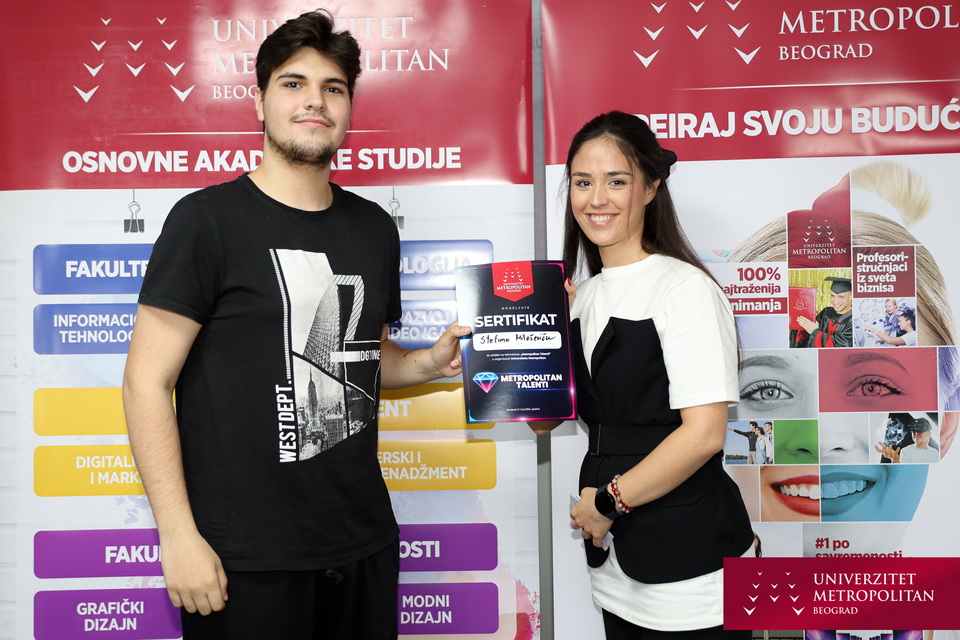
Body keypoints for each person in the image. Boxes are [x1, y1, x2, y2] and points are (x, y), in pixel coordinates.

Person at [121, 11, 468, 640]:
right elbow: (146, 383)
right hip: (240, 561)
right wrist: (177, 535)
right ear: (259, 102)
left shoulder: (373, 227)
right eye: (293, 84)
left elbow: (360, 358)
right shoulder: (205, 221)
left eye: (333, 88)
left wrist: (426, 363)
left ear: (348, 108)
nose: (315, 101)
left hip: (361, 546)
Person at [529, 111, 752, 639]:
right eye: (582, 182)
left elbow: (704, 435)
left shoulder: (684, 289)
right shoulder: (580, 297)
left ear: (650, 188)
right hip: (616, 565)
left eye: (616, 181)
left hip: (691, 563)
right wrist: (533, 344)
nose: (596, 199)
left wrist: (608, 502)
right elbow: (543, 421)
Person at [792, 275, 853, 348]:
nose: (835, 301)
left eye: (841, 297)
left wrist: (815, 332)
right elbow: (806, 333)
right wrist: (797, 321)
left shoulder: (854, 321)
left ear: (850, 297)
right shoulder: (826, 312)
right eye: (832, 295)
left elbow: (840, 346)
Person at [875, 417, 940, 463]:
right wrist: (895, 459)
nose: (916, 433)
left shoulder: (935, 453)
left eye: (920, 430)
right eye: (914, 431)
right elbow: (902, 470)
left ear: (929, 434)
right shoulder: (906, 451)